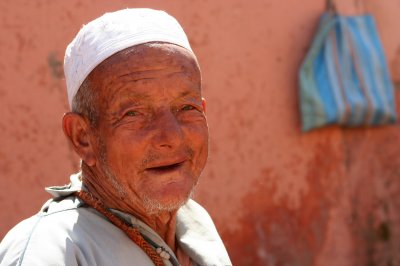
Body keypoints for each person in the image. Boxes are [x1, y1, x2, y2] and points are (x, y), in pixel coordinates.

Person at [0, 8, 231, 266]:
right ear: (82, 137)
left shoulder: (194, 226)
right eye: (134, 113)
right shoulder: (50, 251)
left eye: (187, 108)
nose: (172, 136)